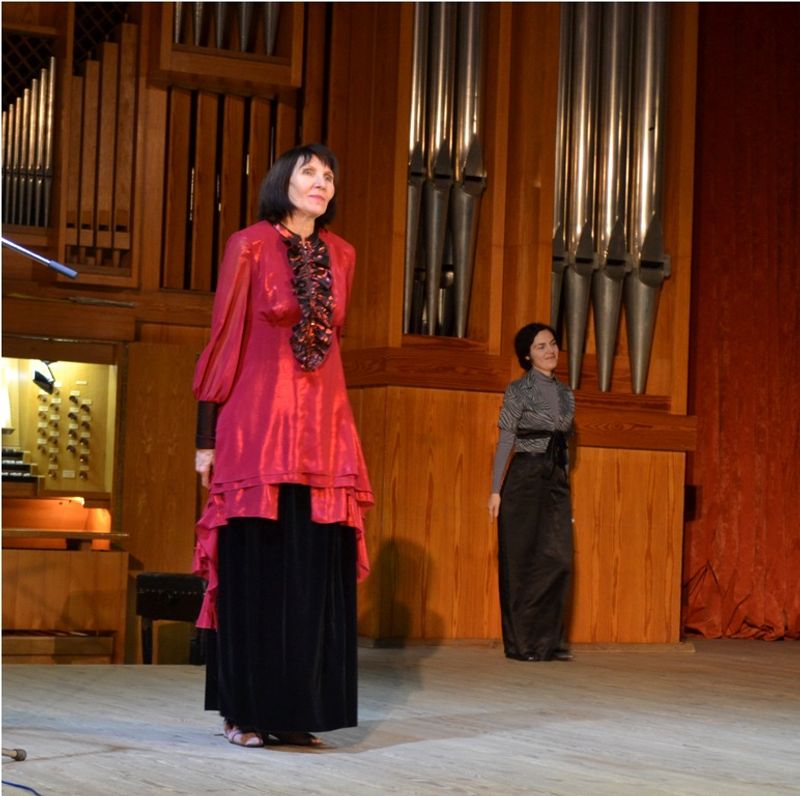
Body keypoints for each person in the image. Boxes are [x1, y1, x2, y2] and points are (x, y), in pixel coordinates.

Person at [192, 143, 373, 747]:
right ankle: (244, 713)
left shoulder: (343, 254)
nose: (321, 181)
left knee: (314, 578)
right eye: (309, 171)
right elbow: (224, 337)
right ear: (283, 181)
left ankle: (299, 714)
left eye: (329, 175)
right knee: (258, 575)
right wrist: (205, 436)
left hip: (325, 434)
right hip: (256, 431)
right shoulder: (248, 244)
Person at [487, 322, 575, 662]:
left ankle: (547, 642)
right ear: (527, 355)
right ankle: (522, 645)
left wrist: (565, 485)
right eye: (541, 346)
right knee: (520, 560)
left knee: (558, 559)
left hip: (555, 478)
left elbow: (565, 443)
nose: (550, 350)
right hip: (524, 475)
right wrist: (496, 490)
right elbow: (506, 439)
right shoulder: (518, 390)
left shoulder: (566, 392)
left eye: (552, 344)